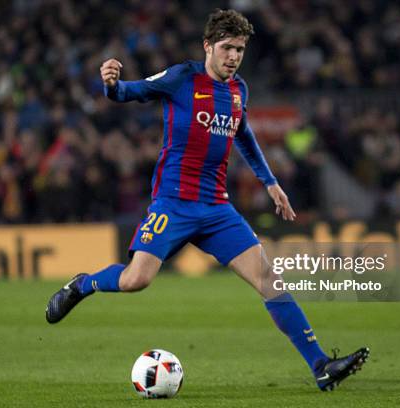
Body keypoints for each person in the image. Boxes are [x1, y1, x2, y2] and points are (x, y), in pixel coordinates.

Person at [46, 9, 368, 391]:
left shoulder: (239, 90)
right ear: (208, 47)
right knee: (136, 279)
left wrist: (270, 182)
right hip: (173, 204)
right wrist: (111, 84)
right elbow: (128, 93)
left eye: (240, 50)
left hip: (217, 209)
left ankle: (320, 367)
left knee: (269, 280)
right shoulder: (182, 77)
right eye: (228, 48)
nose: (234, 56)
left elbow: (243, 134)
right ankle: (83, 285)